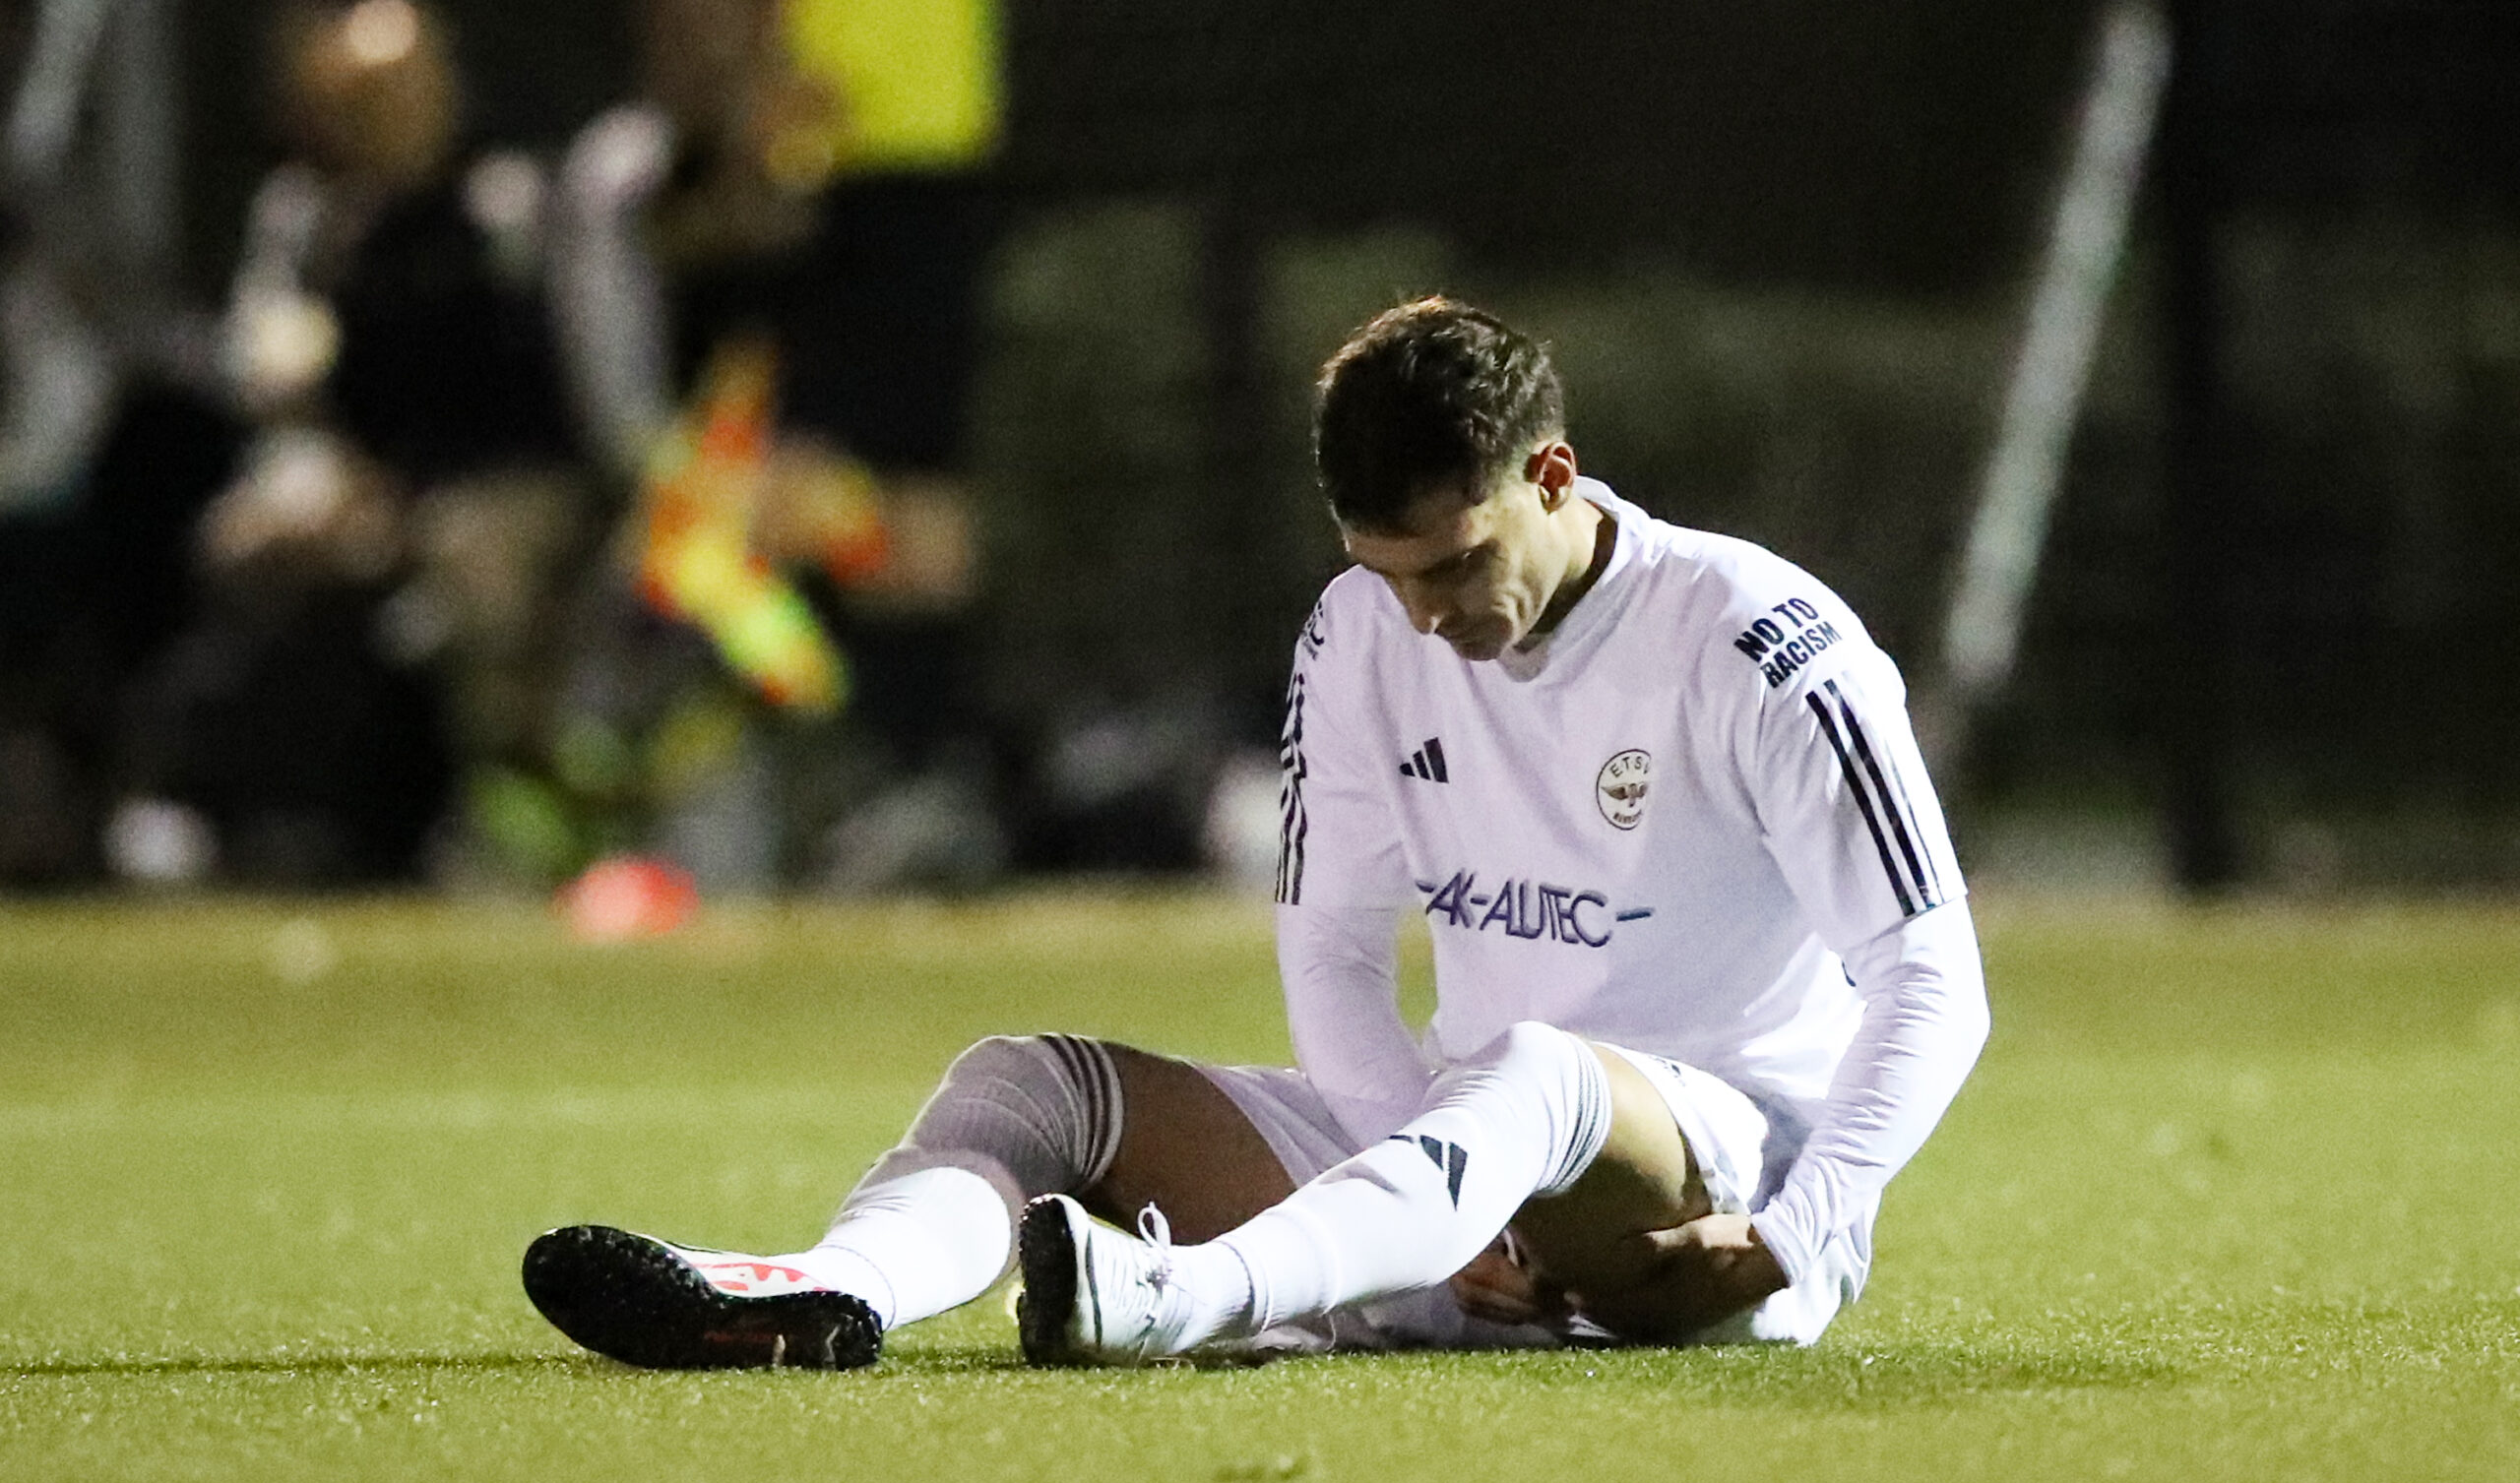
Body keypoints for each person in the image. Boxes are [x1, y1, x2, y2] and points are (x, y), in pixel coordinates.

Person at [522, 297, 1988, 1369]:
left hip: (1710, 1193)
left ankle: (1182, 1299)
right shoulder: (1360, 632)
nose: (1426, 616)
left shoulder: (1760, 643)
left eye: (1456, 563)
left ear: (1551, 477)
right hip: (1452, 1162)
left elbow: (1932, 976)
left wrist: (1809, 1227)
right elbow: (1334, 951)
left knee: (1537, 1075)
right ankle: (830, 1290)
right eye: (1387, 574)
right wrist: (1437, 1205)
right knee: (1032, 1083)